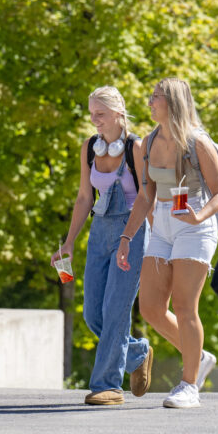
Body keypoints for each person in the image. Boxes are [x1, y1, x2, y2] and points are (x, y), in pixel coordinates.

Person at [116, 77, 218, 408]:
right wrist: (127, 236)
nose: (150, 102)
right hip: (162, 223)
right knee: (150, 308)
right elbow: (146, 194)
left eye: (156, 97)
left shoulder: (197, 142)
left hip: (195, 224)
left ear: (174, 103)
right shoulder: (147, 144)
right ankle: (199, 356)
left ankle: (189, 385)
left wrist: (199, 216)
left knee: (184, 306)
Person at [51, 86, 153, 406]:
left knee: (115, 311)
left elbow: (146, 196)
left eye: (101, 114)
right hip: (99, 231)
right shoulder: (88, 149)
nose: (95, 120)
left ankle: (107, 384)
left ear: (119, 113)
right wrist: (69, 242)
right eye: (92, 114)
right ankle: (137, 353)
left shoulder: (136, 147)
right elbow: (85, 197)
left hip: (132, 232)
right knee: (93, 314)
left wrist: (127, 237)